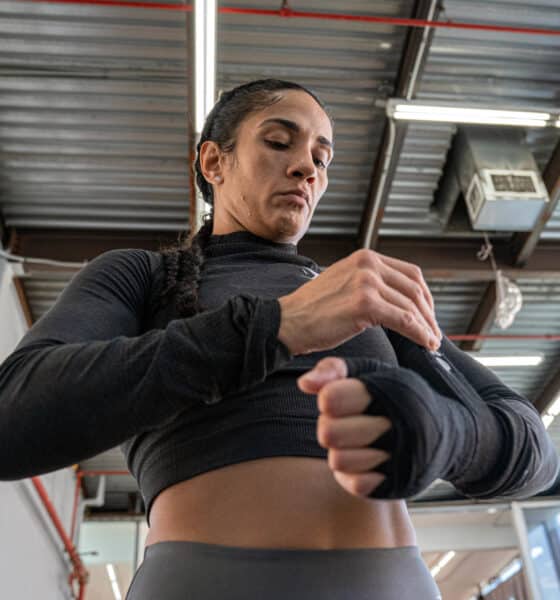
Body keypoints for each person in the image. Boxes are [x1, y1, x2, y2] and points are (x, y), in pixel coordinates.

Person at [0, 79, 558, 600]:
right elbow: (13, 415)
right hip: (200, 582)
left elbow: (535, 449)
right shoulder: (146, 278)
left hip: (389, 582)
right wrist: (277, 326)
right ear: (213, 162)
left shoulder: (362, 295)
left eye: (322, 157)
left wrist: (446, 433)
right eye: (278, 141)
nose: (305, 167)